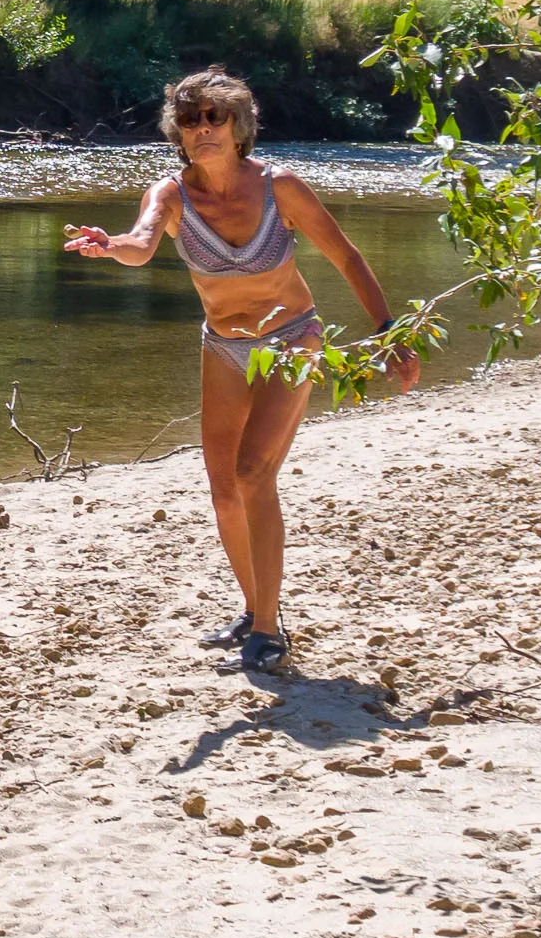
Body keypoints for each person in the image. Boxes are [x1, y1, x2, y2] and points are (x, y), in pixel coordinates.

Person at [60, 67, 419, 674]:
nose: (202, 128)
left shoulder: (281, 188)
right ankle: (258, 611)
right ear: (177, 130)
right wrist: (109, 244)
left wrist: (390, 332)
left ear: (238, 125)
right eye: (190, 118)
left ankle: (267, 631)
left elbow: (346, 256)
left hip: (292, 338)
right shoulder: (169, 195)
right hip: (223, 345)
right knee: (224, 488)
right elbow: (141, 244)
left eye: (214, 117)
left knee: (255, 473)